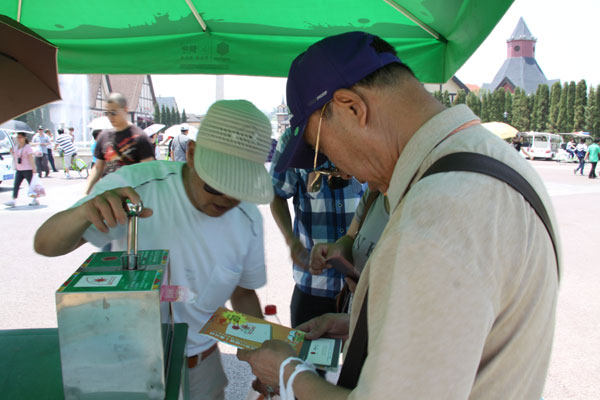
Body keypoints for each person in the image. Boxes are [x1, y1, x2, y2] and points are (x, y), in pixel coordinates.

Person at [238, 31, 560, 400]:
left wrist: (286, 373)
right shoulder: (488, 165)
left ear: (352, 107)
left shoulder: (437, 215)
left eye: (321, 152)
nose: (339, 170)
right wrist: (360, 323)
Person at [34, 99, 275, 400]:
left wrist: (263, 358)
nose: (226, 200)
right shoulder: (136, 188)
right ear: (192, 153)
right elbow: (45, 244)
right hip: (128, 363)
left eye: (239, 190)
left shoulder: (248, 219)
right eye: (214, 184)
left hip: (202, 366)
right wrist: (85, 212)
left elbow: (242, 293)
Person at [269, 128, 364, 330]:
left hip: (362, 284)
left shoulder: (364, 132)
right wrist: (291, 240)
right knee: (306, 359)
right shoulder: (295, 139)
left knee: (362, 360)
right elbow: (276, 193)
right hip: (313, 284)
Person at [85, 92, 155, 194]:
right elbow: (98, 168)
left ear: (125, 110)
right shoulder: (103, 136)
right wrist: (86, 192)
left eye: (113, 112)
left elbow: (148, 172)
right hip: (109, 195)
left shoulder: (140, 138)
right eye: (107, 113)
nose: (110, 116)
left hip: (133, 197)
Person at [4, 132, 38, 207]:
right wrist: (11, 152)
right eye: (18, 137)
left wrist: (33, 168)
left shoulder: (27, 147)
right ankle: (13, 199)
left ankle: (35, 199)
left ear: (24, 138)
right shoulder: (16, 146)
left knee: (31, 185)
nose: (18, 139)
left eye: (20, 137)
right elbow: (15, 156)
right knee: (16, 185)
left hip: (27, 169)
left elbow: (31, 157)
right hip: (19, 169)